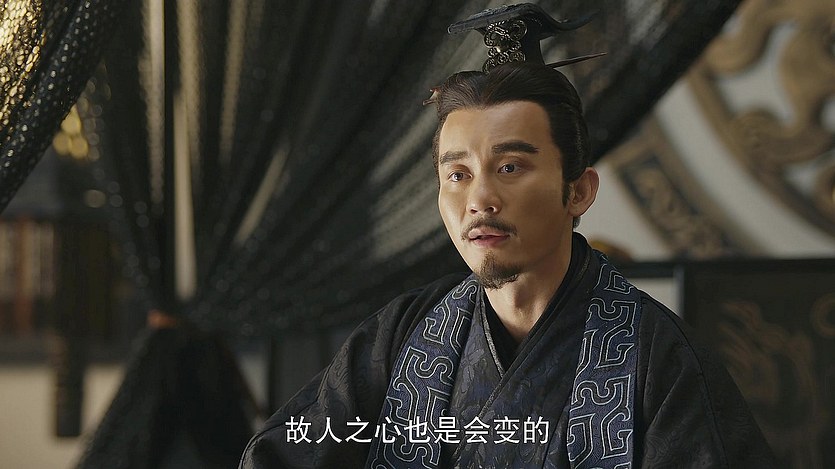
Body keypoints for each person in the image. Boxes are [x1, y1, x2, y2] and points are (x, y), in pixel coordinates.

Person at [240, 5, 773, 468]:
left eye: (511, 167)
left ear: (578, 191)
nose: (479, 199)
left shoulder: (660, 360)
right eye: (457, 174)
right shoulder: (401, 335)